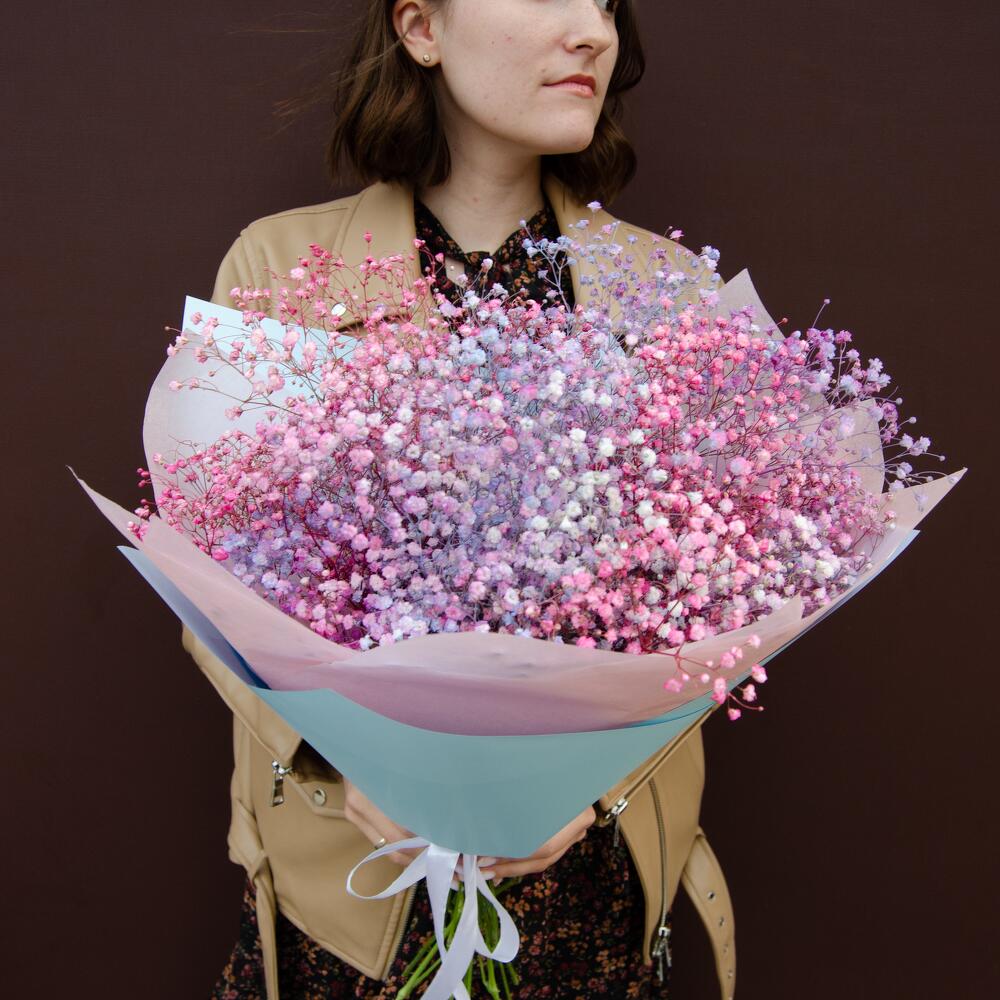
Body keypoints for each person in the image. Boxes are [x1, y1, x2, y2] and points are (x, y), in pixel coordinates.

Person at [183, 1, 737, 996]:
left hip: (595, 906)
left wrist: (595, 785)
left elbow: (722, 606)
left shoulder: (670, 292)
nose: (592, 30)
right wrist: (345, 760)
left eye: (605, 2)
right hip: (354, 907)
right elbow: (209, 591)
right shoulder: (280, 271)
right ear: (420, 27)